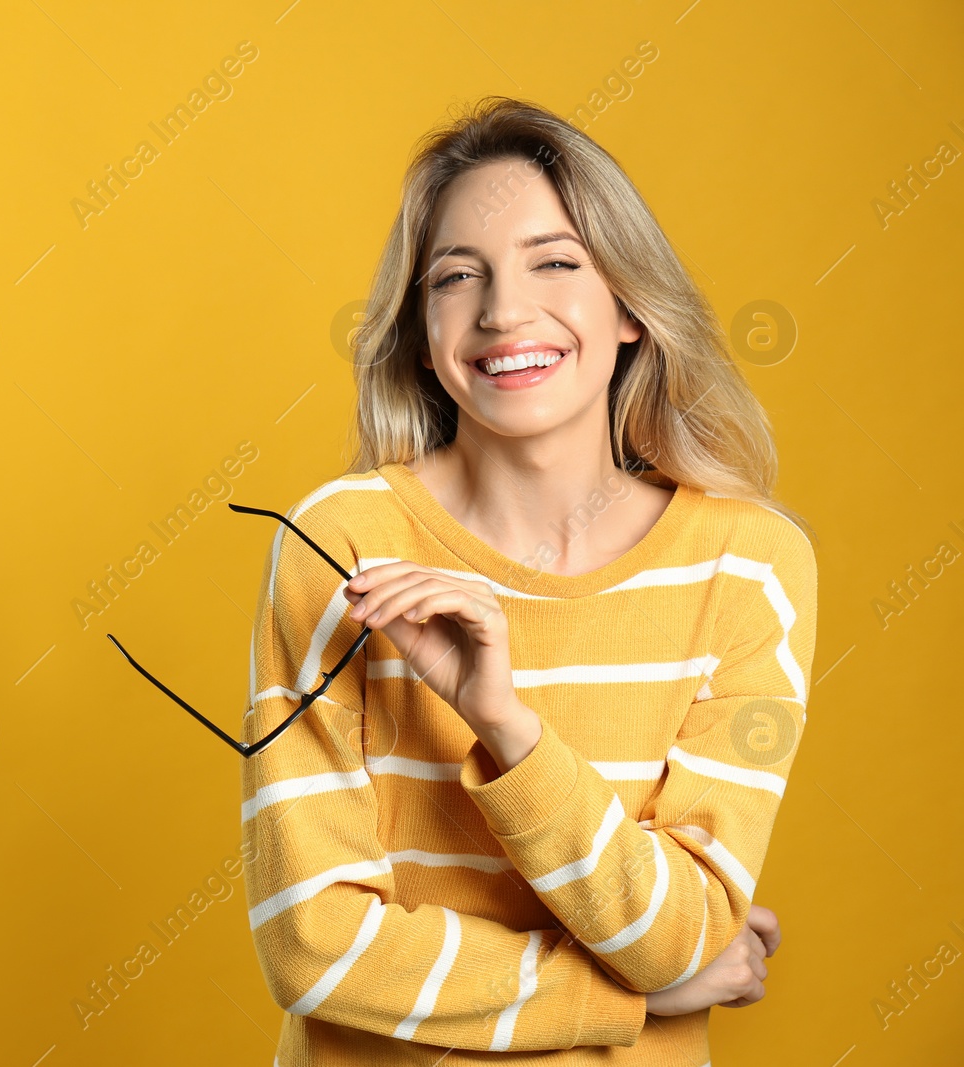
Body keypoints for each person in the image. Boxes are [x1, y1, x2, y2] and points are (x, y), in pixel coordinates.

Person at [240, 96, 816, 1064]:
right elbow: (315, 948)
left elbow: (683, 931)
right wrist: (628, 993)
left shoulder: (748, 566)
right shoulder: (338, 543)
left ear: (630, 305)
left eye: (554, 262)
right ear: (423, 331)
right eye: (456, 277)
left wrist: (504, 724)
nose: (503, 311)